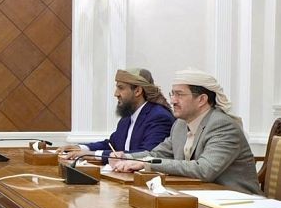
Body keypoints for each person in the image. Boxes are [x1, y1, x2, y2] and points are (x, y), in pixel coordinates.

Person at [111, 69, 261, 194]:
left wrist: (147, 164)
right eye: (172, 94)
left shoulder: (222, 126)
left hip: (239, 205)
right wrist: (127, 158)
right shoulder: (180, 124)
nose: (173, 100)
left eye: (180, 94)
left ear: (201, 100)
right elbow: (157, 154)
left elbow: (204, 169)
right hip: (198, 197)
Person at [57, 68, 174, 160]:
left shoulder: (159, 117)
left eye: (121, 88)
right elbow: (112, 144)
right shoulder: (127, 118)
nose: (116, 94)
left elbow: (146, 154)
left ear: (138, 91)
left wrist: (93, 154)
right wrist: (80, 148)